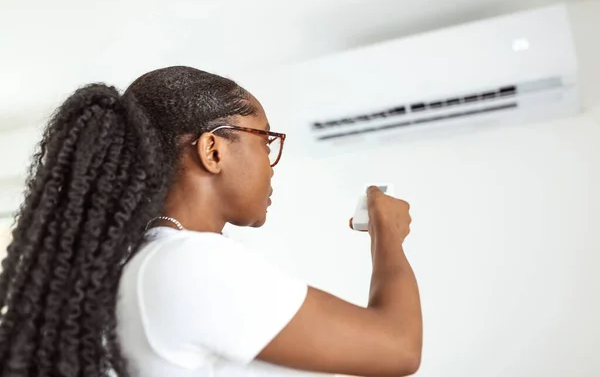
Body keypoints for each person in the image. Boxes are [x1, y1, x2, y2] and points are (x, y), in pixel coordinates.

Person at [0, 66, 422, 377]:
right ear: (213, 150)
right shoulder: (190, 264)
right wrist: (387, 235)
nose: (272, 164)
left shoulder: (135, 262)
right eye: (265, 139)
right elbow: (399, 348)